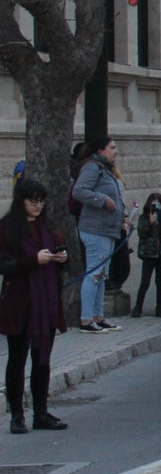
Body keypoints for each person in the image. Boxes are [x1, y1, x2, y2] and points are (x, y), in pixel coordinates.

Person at [2, 178, 69, 433]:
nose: (38, 205)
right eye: (33, 200)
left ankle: (40, 412)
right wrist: (32, 260)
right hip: (20, 302)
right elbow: (4, 264)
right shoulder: (7, 228)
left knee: (42, 358)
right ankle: (17, 414)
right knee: (17, 359)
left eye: (41, 200)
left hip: (47, 300)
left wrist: (61, 257)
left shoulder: (49, 227)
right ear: (21, 200)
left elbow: (63, 253)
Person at [71, 136, 128, 332]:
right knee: (95, 273)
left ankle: (98, 315)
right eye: (112, 147)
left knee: (102, 275)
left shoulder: (106, 170)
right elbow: (79, 191)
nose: (116, 151)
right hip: (96, 230)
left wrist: (123, 217)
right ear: (102, 150)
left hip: (108, 230)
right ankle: (86, 319)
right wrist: (102, 199)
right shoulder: (93, 168)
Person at [132, 192, 161, 318]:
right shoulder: (144, 217)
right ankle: (138, 306)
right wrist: (150, 222)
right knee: (145, 281)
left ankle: (159, 307)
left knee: (160, 282)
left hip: (160, 254)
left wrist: (159, 224)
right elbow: (142, 233)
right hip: (148, 254)